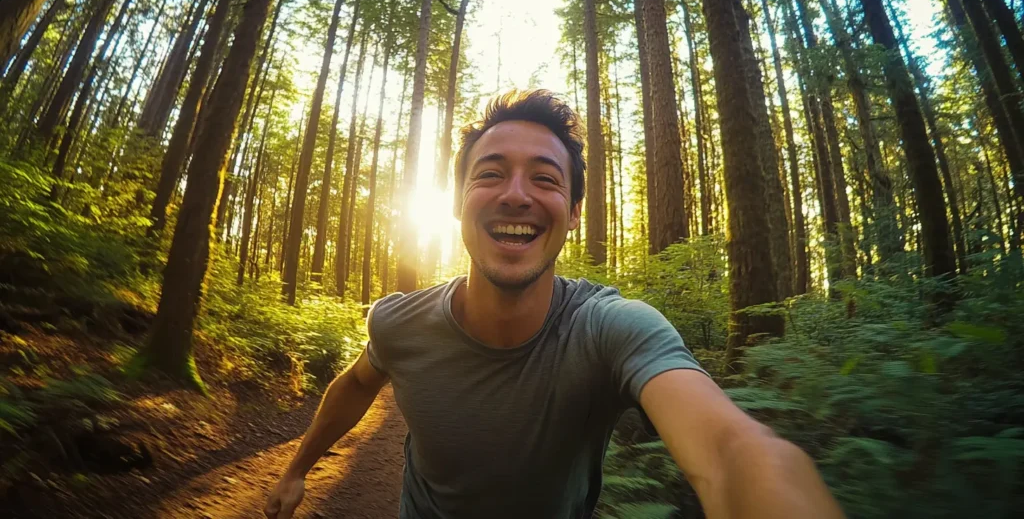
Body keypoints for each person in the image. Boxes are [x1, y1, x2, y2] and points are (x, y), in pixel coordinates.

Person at [264, 90, 844, 519]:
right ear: (458, 204)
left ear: (572, 212)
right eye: (490, 174)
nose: (516, 195)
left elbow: (730, 451)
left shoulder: (613, 329)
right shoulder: (400, 322)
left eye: (546, 179)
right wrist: (295, 470)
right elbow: (359, 383)